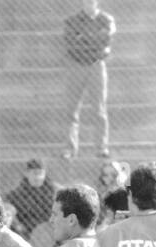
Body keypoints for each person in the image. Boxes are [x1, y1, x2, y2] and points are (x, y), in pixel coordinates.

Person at [62, 0, 116, 160]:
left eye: (91, 1)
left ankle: (101, 148)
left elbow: (106, 41)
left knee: (99, 109)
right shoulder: (72, 20)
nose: (89, 4)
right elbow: (71, 42)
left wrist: (84, 37)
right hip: (76, 65)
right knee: (71, 109)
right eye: (86, 2)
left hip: (96, 65)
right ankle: (70, 149)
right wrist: (94, 39)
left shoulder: (106, 20)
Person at [6, 160, 58, 247]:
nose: (38, 177)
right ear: (27, 173)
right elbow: (10, 209)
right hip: (25, 230)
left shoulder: (53, 191)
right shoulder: (17, 193)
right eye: (34, 173)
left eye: (40, 173)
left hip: (47, 230)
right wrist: (18, 226)